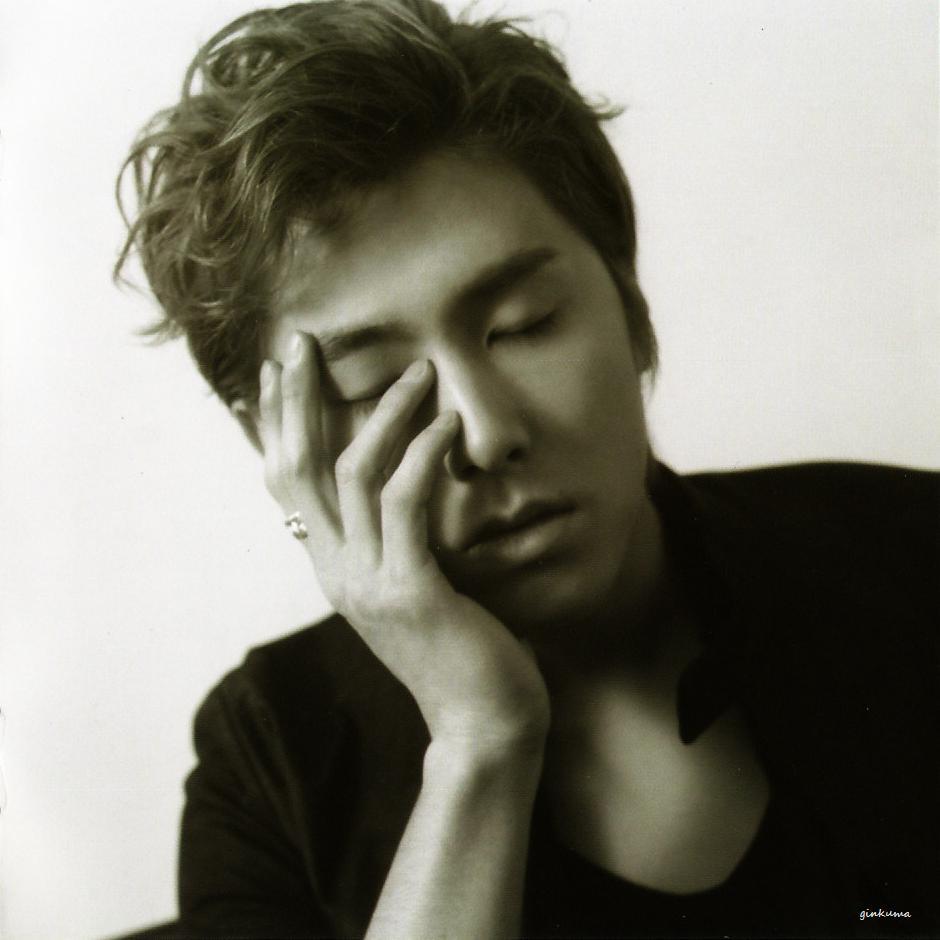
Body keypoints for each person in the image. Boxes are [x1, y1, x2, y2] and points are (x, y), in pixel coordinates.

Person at [114, 1, 939, 937]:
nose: (485, 433)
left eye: (524, 325)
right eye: (376, 384)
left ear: (629, 306)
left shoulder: (914, 554)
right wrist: (480, 742)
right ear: (280, 444)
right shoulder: (271, 761)